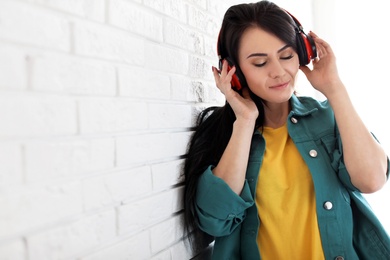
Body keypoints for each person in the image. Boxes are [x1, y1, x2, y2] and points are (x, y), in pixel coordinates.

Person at [182, 1, 390, 259]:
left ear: (303, 53)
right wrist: (245, 121)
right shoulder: (227, 134)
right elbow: (214, 220)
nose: (279, 72)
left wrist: (334, 87)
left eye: (287, 56)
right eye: (259, 63)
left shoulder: (327, 117)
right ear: (233, 72)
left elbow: (372, 180)